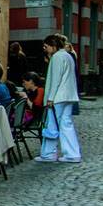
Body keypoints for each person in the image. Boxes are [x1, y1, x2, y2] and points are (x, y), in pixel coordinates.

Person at [38, 34, 81, 163]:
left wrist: (50, 98)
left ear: (53, 46)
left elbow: (55, 80)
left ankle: (50, 153)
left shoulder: (56, 58)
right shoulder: (68, 56)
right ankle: (72, 153)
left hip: (58, 97)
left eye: (46, 46)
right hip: (68, 95)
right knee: (66, 124)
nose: (45, 49)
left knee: (53, 124)